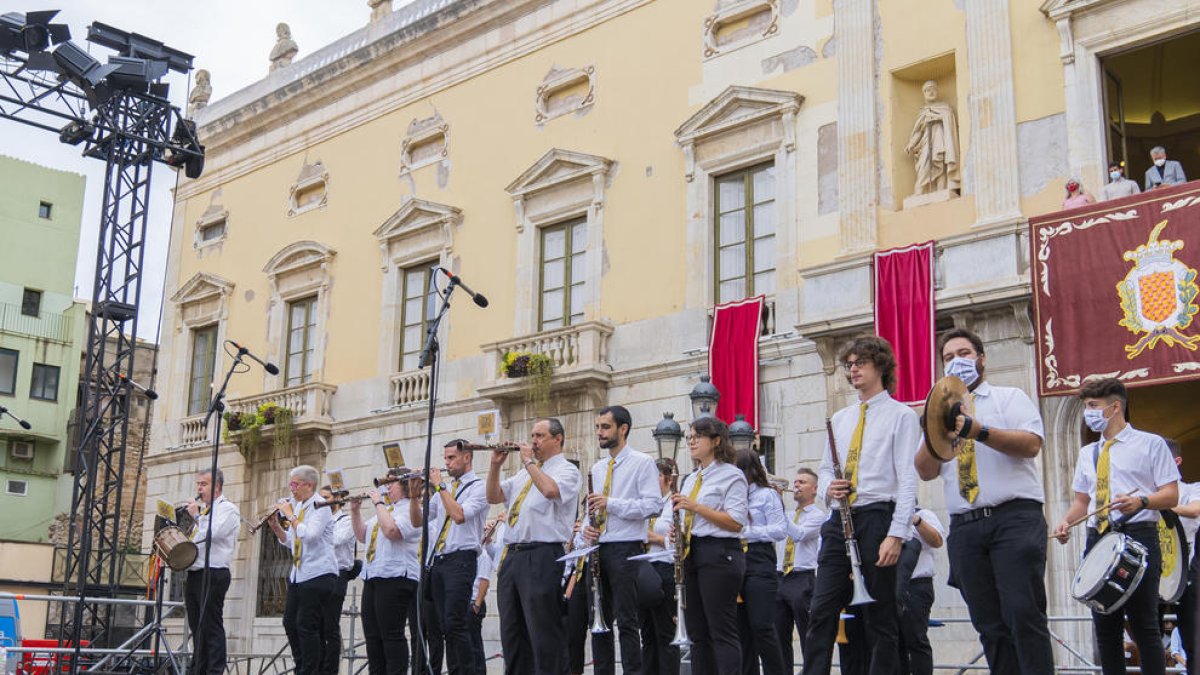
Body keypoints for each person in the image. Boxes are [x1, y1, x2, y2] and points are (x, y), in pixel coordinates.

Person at [914, 327, 1055, 675]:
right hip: (966, 525)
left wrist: (978, 431)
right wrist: (937, 433)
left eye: (964, 353)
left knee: (1023, 614)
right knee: (989, 624)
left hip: (1014, 517)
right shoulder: (939, 413)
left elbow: (1031, 445)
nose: (957, 361)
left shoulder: (1009, 397)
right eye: (948, 357)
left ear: (981, 359)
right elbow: (925, 470)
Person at [803, 335, 920, 675]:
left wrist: (897, 534)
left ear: (880, 365)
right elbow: (825, 469)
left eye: (860, 363)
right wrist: (828, 488)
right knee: (821, 610)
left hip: (877, 516)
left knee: (881, 616)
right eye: (849, 364)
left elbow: (907, 479)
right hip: (840, 518)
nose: (853, 370)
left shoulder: (901, 415)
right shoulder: (841, 418)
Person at [1054, 377, 1180, 675]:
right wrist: (1066, 521)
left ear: (1115, 407)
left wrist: (1142, 502)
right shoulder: (1088, 453)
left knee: (1144, 625)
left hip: (1139, 535)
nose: (1089, 413)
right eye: (1086, 406)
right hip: (1098, 537)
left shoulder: (1151, 444)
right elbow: (1082, 502)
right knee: (1105, 627)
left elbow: (1171, 494)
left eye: (1093, 406)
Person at [485, 417, 582, 675]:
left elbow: (551, 491)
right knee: (512, 632)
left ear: (558, 439)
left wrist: (528, 462)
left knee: (543, 633)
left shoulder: (567, 470)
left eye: (540, 436)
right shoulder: (522, 474)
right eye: (532, 436)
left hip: (542, 554)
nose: (534, 441)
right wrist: (495, 466)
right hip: (513, 556)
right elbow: (494, 496)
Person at [582, 405, 661, 675]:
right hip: (598, 549)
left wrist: (611, 504)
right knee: (598, 621)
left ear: (623, 429)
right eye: (597, 427)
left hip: (625, 548)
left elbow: (652, 505)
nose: (599, 433)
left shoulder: (642, 462)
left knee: (627, 621)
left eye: (605, 427)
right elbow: (590, 509)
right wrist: (585, 530)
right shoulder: (597, 467)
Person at [672, 416, 749, 675]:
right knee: (697, 631)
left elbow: (736, 522)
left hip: (720, 554)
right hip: (692, 552)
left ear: (716, 441)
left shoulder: (732, 475)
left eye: (698, 436)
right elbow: (692, 520)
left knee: (721, 629)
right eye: (689, 437)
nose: (691, 441)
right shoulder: (692, 479)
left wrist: (695, 507)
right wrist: (679, 531)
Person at [409, 440, 489, 675]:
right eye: (445, 458)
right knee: (444, 626)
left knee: (455, 623)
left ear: (467, 458)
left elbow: (458, 515)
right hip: (439, 562)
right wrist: (414, 497)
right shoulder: (448, 490)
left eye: (452, 458)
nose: (447, 463)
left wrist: (439, 485)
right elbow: (417, 521)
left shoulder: (478, 486)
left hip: (461, 560)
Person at [268, 465, 338, 675]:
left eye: (295, 484)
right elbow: (292, 541)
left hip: (319, 573)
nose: (292, 489)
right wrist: (277, 527)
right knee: (290, 623)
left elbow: (311, 535)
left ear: (309, 485)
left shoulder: (320, 506)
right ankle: (302, 667)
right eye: (291, 484)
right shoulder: (299, 507)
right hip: (300, 574)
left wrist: (290, 516)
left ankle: (311, 670)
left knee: (307, 626)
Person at [351, 470, 420, 675]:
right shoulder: (385, 509)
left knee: (391, 635)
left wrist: (378, 503)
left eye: (391, 483)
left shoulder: (410, 509)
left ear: (405, 485)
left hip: (396, 576)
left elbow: (392, 532)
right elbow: (363, 536)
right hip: (373, 576)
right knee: (372, 636)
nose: (387, 487)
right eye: (385, 483)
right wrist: (355, 511)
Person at [736, 448, 788, 675]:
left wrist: (747, 531)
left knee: (762, 626)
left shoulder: (767, 495)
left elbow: (779, 530)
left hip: (760, 560)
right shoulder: (734, 498)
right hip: (737, 561)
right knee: (742, 632)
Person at [183, 468, 240, 675]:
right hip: (196, 571)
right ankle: (198, 668)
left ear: (216, 487)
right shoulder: (205, 511)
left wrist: (197, 516)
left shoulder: (228, 509)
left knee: (211, 624)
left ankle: (214, 670)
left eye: (204, 484)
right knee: (196, 625)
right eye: (198, 484)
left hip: (214, 572)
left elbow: (213, 533)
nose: (199, 488)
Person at [776, 468, 824, 671]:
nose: (796, 486)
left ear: (814, 489)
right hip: (779, 577)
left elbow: (799, 534)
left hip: (802, 579)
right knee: (779, 636)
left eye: (802, 482)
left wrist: (777, 508)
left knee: (807, 635)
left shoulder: (818, 515)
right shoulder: (786, 514)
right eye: (795, 482)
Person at [640, 458, 680, 675]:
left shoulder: (674, 503)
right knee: (646, 633)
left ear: (664, 478)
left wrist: (653, 538)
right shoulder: (647, 503)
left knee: (665, 633)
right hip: (643, 567)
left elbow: (677, 542)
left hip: (664, 567)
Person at [896, 505, 945, 675]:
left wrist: (915, 520)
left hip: (916, 585)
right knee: (894, 643)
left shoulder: (924, 514)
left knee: (916, 639)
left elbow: (937, 541)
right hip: (891, 586)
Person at [1167, 438, 1200, 670]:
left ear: (1177, 461)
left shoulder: (1192, 489)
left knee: (1193, 638)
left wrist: (1155, 504)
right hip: (1156, 571)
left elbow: (1194, 510)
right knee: (1150, 636)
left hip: (1187, 569)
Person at [319, 486, 357, 675]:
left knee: (330, 626)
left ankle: (330, 671)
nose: (323, 502)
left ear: (338, 499)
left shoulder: (346, 520)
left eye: (326, 498)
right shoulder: (321, 520)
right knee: (315, 625)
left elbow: (336, 539)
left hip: (337, 574)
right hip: (320, 574)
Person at [904, 79, 960, 195]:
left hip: (940, 140)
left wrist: (937, 118)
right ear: (924, 93)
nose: (931, 92)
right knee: (924, 165)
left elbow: (949, 120)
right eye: (928, 90)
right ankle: (919, 191)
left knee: (941, 165)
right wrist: (911, 144)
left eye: (933, 89)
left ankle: (942, 191)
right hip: (926, 143)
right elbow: (919, 131)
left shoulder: (944, 107)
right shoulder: (923, 112)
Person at [468, 548, 492, 675]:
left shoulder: (483, 555)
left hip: (473, 603)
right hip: (464, 602)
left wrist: (476, 604)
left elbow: (484, 580)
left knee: (474, 643)